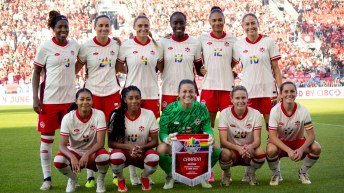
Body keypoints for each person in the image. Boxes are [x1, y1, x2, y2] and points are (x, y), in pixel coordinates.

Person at [32, 10, 80, 191]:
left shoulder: (74, 45)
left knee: (70, 142)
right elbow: (36, 73)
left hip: (69, 102)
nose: (63, 30)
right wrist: (36, 98)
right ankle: (47, 178)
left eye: (65, 27)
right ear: (53, 28)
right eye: (59, 27)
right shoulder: (45, 47)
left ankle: (71, 177)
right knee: (47, 140)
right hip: (49, 100)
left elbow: (86, 56)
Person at [232, 13, 283, 182]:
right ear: (243, 26)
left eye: (253, 23)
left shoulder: (268, 41)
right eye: (247, 24)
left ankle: (276, 171)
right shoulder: (238, 45)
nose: (250, 26)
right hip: (249, 95)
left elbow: (276, 69)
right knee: (249, 134)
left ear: (258, 24)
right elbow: (229, 64)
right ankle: (248, 170)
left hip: (268, 93)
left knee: (272, 133)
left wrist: (281, 90)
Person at [115, 13, 162, 185]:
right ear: (134, 28)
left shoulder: (157, 46)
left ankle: (146, 175)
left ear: (149, 27)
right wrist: (133, 73)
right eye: (139, 26)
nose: (143, 29)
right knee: (130, 134)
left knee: (147, 135)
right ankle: (133, 176)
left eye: (146, 26)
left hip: (151, 95)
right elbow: (119, 66)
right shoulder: (126, 45)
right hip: (132, 95)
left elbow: (161, 66)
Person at [76, 14, 122, 188]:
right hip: (92, 95)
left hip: (112, 93)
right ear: (94, 27)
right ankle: (90, 176)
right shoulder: (86, 46)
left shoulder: (116, 45)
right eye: (100, 26)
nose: (104, 29)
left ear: (110, 28)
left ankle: (116, 174)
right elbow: (76, 69)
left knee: (113, 134)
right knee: (92, 135)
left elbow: (120, 67)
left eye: (106, 26)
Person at [157, 79, 221, 189]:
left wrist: (210, 136)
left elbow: (207, 128)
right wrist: (167, 139)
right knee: (161, 149)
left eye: (191, 91)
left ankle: (203, 175)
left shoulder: (201, 108)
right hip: (176, 145)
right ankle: (171, 175)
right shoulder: (169, 109)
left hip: (196, 144)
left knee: (217, 147)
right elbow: (163, 132)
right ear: (179, 94)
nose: (188, 94)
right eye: (184, 91)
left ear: (195, 93)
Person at [198, 7, 237, 182]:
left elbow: (234, 62)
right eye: (213, 20)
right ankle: (208, 169)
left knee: (228, 130)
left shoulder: (233, 40)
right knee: (207, 130)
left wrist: (226, 71)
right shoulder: (202, 39)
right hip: (209, 89)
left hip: (228, 89)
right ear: (209, 22)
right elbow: (197, 63)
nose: (217, 23)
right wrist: (202, 69)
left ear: (224, 21)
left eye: (219, 20)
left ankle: (225, 169)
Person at [53, 88, 110, 193]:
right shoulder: (68, 118)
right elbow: (62, 145)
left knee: (104, 157)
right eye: (82, 99)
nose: (85, 102)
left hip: (92, 152)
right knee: (58, 161)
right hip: (74, 151)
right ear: (76, 101)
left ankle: (100, 180)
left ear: (92, 101)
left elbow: (101, 143)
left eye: (88, 99)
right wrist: (72, 157)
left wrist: (87, 154)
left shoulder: (99, 115)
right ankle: (73, 178)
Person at [266, 81, 321, 186]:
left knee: (317, 148)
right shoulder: (275, 110)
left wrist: (301, 149)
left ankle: (303, 172)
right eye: (286, 91)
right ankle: (275, 174)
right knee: (270, 149)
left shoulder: (303, 110)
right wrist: (289, 151)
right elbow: (272, 137)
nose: (289, 94)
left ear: (296, 93)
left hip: (298, 141)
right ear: (281, 94)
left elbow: (311, 135)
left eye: (292, 91)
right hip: (280, 143)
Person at [108, 86, 160, 192]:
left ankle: (144, 177)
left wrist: (140, 147)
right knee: (115, 157)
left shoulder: (149, 114)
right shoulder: (116, 115)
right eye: (130, 98)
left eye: (137, 98)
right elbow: (110, 143)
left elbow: (155, 141)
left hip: (142, 152)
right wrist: (128, 147)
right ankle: (121, 179)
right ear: (124, 99)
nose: (134, 101)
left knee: (154, 158)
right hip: (124, 153)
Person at [218, 85, 265, 186]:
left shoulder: (255, 114)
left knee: (261, 153)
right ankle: (227, 175)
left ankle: (251, 173)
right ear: (232, 100)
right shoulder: (224, 114)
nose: (240, 101)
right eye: (237, 98)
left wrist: (249, 147)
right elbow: (223, 141)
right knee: (224, 153)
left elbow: (257, 141)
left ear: (247, 99)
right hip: (232, 151)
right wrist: (238, 148)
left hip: (248, 151)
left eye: (243, 98)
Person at [159, 12, 203, 111]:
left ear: (185, 23)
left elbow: (199, 69)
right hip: (169, 91)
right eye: (175, 23)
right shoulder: (163, 42)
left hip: (188, 92)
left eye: (181, 22)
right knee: (169, 124)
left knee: (189, 124)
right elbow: (157, 67)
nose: (178, 26)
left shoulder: (195, 43)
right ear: (170, 24)